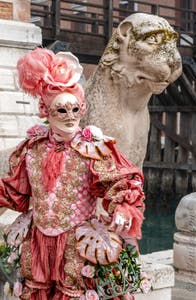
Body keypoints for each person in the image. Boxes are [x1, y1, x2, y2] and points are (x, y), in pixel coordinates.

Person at [0, 48, 145, 299]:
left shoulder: (93, 148)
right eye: (61, 111)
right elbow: (15, 192)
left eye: (75, 110)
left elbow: (121, 183)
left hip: (78, 243)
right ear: (45, 111)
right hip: (38, 243)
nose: (70, 117)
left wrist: (121, 209)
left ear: (82, 108)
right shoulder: (32, 149)